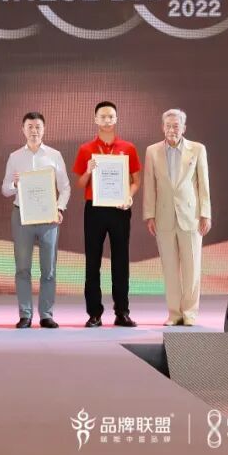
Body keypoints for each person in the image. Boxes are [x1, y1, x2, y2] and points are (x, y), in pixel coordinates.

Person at [72, 101, 142, 328]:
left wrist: (128, 196)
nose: (107, 120)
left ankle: (122, 312)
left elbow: (136, 181)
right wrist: (88, 171)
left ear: (116, 119)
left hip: (120, 209)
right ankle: (94, 313)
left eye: (111, 116)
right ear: (95, 119)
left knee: (121, 261)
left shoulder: (128, 148)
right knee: (93, 262)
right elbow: (80, 184)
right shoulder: (85, 149)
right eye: (102, 116)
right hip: (94, 209)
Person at [0, 112, 71, 329]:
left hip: (48, 217)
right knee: (22, 268)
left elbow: (65, 187)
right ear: (23, 130)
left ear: (44, 129)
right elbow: (5, 190)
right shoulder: (15, 157)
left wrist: (59, 208)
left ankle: (46, 314)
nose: (34, 131)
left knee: (48, 269)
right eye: (30, 126)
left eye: (38, 126)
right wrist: (15, 184)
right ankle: (25, 314)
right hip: (22, 216)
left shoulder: (54, 155)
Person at [142, 109, 212, 327]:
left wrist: (206, 214)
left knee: (192, 267)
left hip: (191, 217)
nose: (172, 129)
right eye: (168, 125)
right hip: (163, 217)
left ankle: (190, 312)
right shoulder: (152, 151)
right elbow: (149, 184)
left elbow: (203, 184)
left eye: (176, 126)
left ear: (184, 128)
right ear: (162, 127)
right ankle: (174, 313)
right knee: (170, 269)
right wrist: (149, 215)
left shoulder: (197, 149)